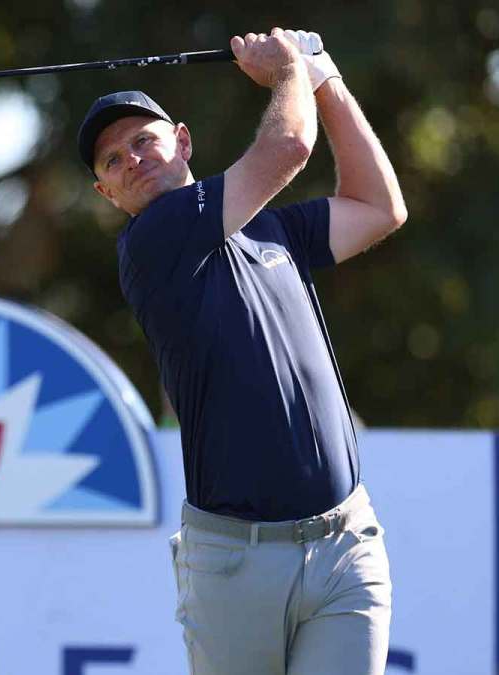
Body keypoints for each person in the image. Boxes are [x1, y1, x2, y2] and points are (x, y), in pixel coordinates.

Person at [76, 29, 406, 675]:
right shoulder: (152, 243)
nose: (133, 159)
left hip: (345, 545)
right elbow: (289, 145)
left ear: (183, 140)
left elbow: (378, 206)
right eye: (112, 161)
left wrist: (324, 75)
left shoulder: (270, 228)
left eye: (143, 139)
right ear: (107, 196)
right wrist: (287, 72)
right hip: (235, 565)